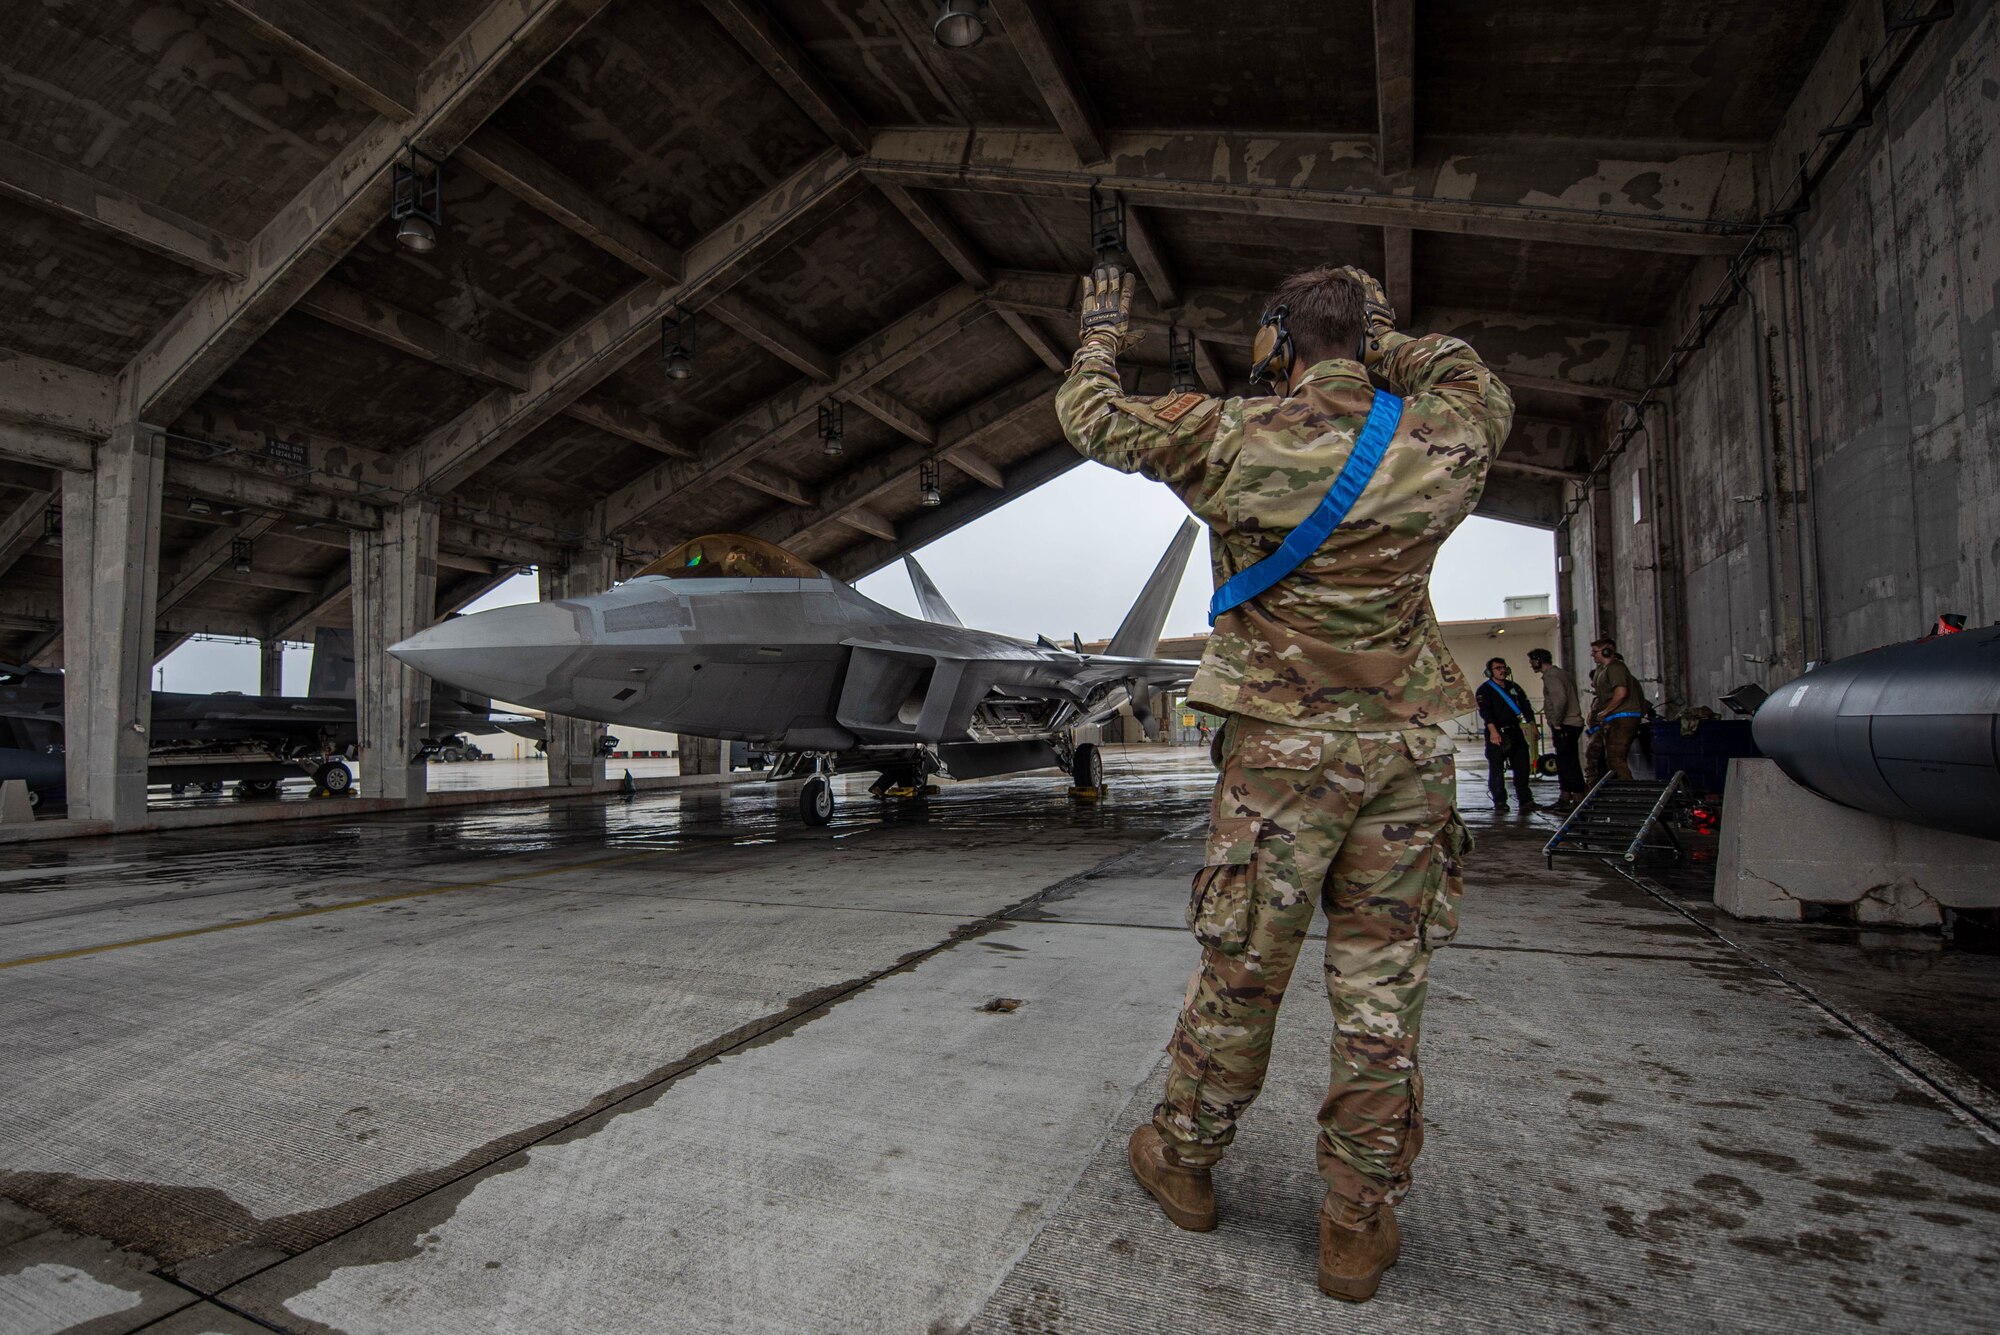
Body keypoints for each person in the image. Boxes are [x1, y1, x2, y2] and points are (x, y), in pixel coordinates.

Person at [1055, 261, 1512, 1302]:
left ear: (1275, 345)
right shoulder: (1448, 430)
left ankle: (1184, 1162)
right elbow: (1465, 373)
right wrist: (1372, 332)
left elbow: (1086, 416)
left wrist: (1098, 330)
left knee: (1242, 970)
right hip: (1402, 755)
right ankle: (1354, 1225)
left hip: (1276, 757)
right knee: (1380, 995)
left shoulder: (1226, 435)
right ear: (1371, 336)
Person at [1585, 638, 1652, 781]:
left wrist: (1605, 711)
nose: (1593, 655)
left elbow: (1621, 693)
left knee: (1616, 758)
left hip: (1623, 718)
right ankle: (1621, 789)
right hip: (1613, 718)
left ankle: (1628, 792)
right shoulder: (1602, 670)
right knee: (1611, 758)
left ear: (1607, 651)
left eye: (1595, 651)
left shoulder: (1616, 668)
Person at [1475, 658, 1535, 811]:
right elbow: (1486, 712)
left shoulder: (1514, 687)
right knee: (1496, 769)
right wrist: (1493, 732)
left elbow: (1526, 706)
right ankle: (1500, 801)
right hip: (1497, 732)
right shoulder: (1485, 690)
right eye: (1497, 668)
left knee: (1522, 766)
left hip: (1515, 730)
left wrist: (1532, 725)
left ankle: (1525, 800)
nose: (1502, 671)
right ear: (1490, 672)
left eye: (1503, 667)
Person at [1528, 647, 1586, 801]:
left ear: (1539, 661)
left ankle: (1578, 797)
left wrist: (1557, 722)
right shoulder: (1561, 673)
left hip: (1566, 725)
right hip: (1571, 724)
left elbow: (1560, 700)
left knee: (1568, 763)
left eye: (1532, 661)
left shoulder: (1551, 676)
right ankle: (1566, 796)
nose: (1530, 664)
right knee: (1565, 761)